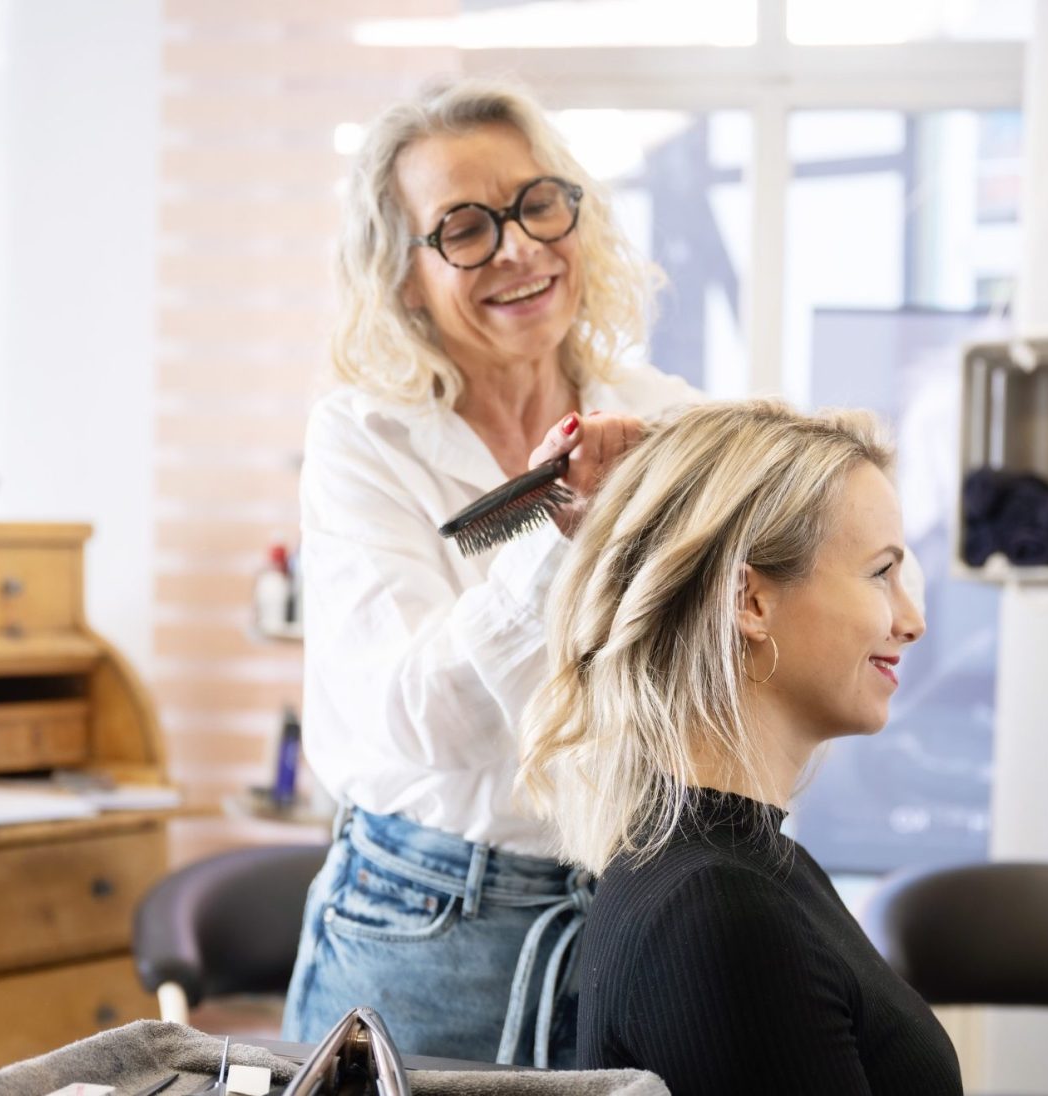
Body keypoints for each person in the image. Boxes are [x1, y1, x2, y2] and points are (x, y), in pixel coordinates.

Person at [281, 77, 697, 1067]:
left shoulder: (665, 417)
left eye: (536, 203)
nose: (517, 247)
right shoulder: (363, 440)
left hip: (634, 909)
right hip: (425, 927)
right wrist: (562, 536)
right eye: (463, 228)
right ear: (402, 273)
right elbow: (425, 719)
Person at [520, 399, 963, 1095]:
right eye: (881, 573)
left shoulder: (756, 869)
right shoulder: (719, 913)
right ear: (749, 601)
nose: (911, 621)